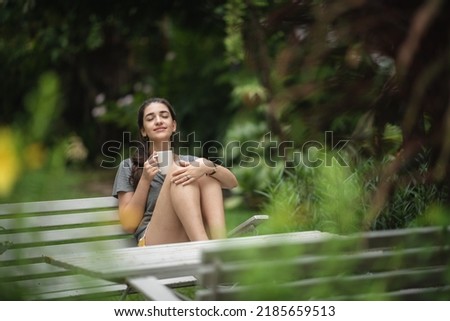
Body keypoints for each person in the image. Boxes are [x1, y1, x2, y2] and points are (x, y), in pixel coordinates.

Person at [112, 97, 238, 246]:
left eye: (164, 116)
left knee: (204, 169)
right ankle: (207, 249)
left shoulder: (188, 160)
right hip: (153, 241)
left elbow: (232, 183)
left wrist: (207, 166)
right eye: (151, 118)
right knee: (181, 172)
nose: (158, 121)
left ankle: (220, 243)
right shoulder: (129, 166)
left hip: (190, 235)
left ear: (173, 126)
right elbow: (128, 225)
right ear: (143, 131)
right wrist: (145, 180)